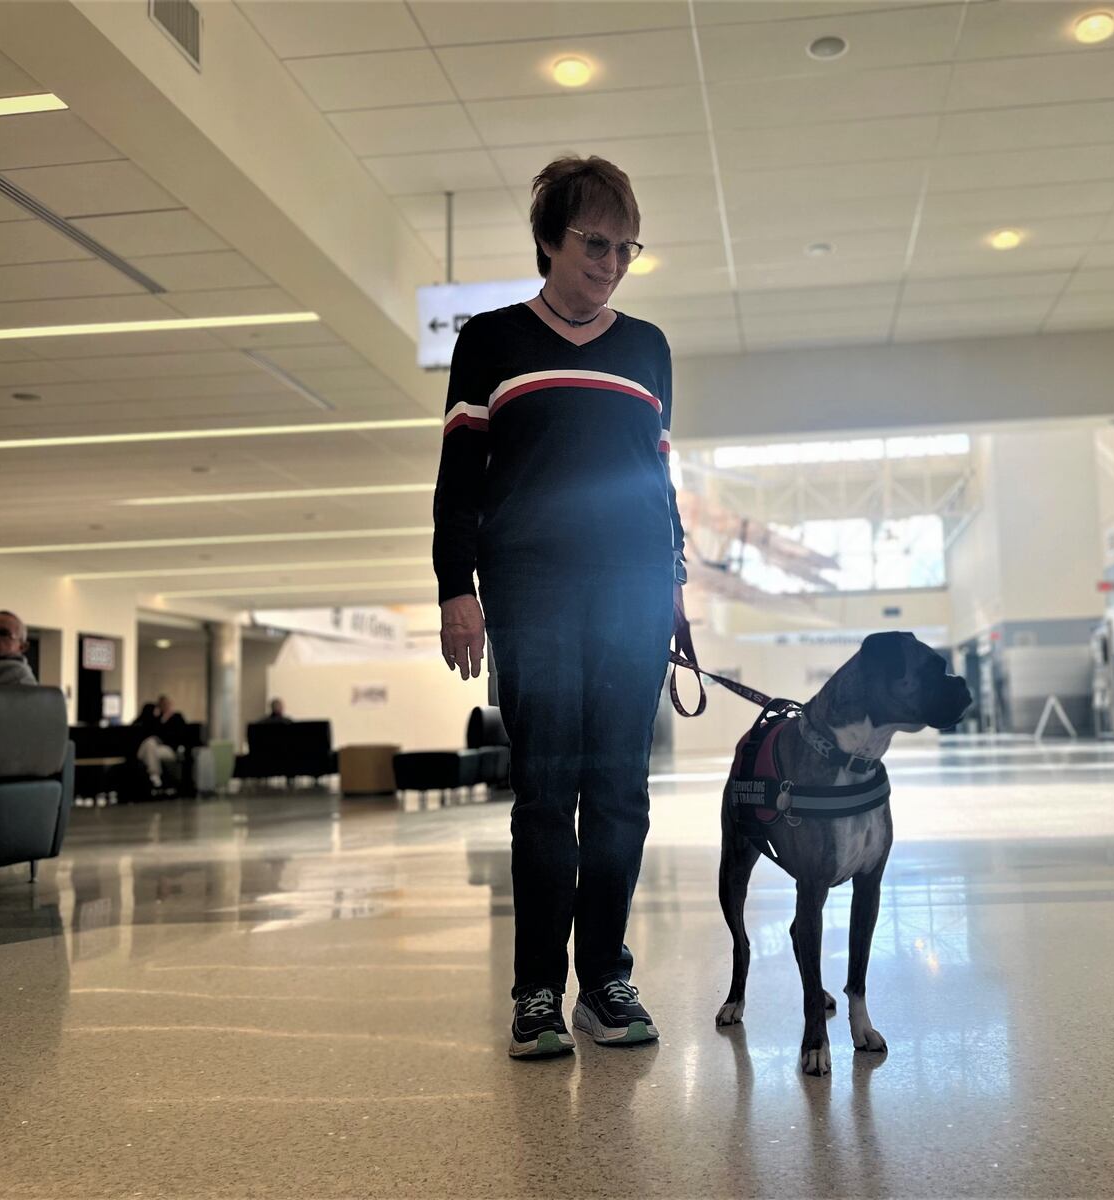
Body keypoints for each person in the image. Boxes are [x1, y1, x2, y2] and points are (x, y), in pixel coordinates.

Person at [434, 156, 687, 1060]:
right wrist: (454, 589)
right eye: (594, 243)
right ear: (548, 240)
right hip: (529, 588)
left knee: (621, 789)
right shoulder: (491, 340)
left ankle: (605, 979)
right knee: (545, 792)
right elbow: (459, 480)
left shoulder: (646, 346)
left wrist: (674, 585)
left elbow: (657, 477)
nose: (611, 261)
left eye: (626, 247)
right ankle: (537, 989)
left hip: (632, 591)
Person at [134, 694, 187, 790]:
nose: (165, 707)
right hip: (154, 748)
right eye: (162, 705)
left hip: (168, 749)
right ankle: (155, 775)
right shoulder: (156, 720)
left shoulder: (177, 717)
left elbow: (179, 735)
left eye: (166, 704)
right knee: (150, 743)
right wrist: (160, 719)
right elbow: (149, 732)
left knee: (148, 747)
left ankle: (154, 774)